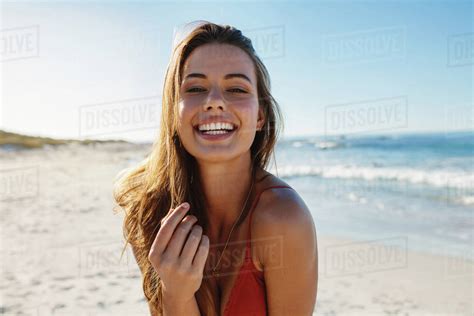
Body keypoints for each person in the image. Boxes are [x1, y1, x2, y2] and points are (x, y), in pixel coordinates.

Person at [114, 21, 318, 316]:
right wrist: (177, 294)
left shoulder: (283, 218)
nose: (214, 103)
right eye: (195, 88)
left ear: (260, 115)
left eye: (236, 88)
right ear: (173, 112)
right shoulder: (149, 212)